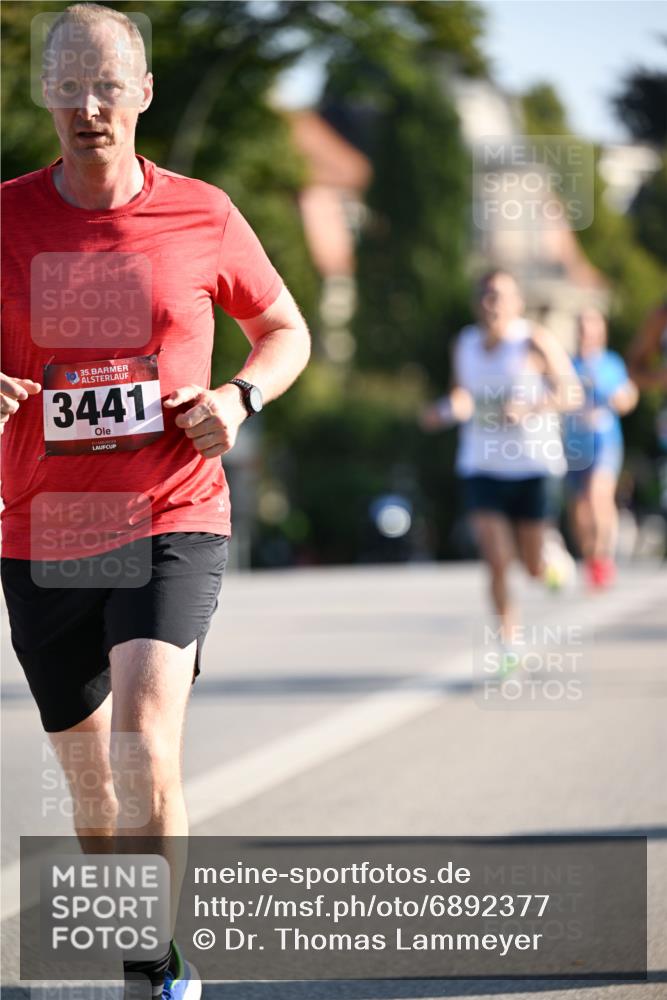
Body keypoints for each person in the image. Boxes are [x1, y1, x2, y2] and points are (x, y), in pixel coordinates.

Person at [0, 5, 310, 998]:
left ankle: (158, 967)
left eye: (107, 85)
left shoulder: (203, 213)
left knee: (144, 738)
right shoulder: (5, 218)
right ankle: (143, 938)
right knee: (94, 788)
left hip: (172, 508)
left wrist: (238, 395)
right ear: (42, 92)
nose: (87, 106)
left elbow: (285, 330)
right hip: (43, 522)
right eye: (67, 85)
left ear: (142, 93)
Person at [420, 270, 582, 669]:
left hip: (533, 463)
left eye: (500, 297)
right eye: (486, 296)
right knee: (495, 557)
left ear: (517, 304)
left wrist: (529, 408)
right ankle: (509, 644)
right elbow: (460, 391)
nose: (492, 304)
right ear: (478, 303)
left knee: (529, 568)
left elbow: (572, 392)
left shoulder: (533, 340)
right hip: (481, 464)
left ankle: (549, 555)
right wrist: (449, 409)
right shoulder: (466, 343)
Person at [563, 308, 638, 587]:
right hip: (574, 445)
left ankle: (603, 557)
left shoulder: (611, 364)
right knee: (579, 509)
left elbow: (628, 396)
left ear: (601, 331)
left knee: (598, 496)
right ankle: (590, 557)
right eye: (581, 327)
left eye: (591, 326)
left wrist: (622, 399)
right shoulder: (568, 364)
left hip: (605, 442)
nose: (586, 333)